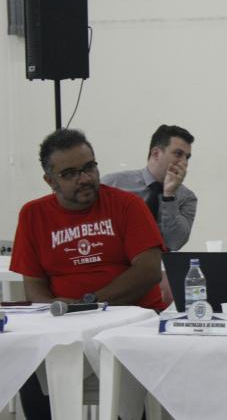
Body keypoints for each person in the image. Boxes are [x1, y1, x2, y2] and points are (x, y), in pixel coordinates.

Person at [10, 129, 166, 419]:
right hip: (65, 327)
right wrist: (57, 312)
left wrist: (89, 303)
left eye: (89, 167)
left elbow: (148, 271)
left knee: (126, 373)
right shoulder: (32, 215)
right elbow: (34, 288)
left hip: (129, 321)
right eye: (70, 173)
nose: (84, 178)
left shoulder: (127, 205)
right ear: (50, 181)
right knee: (29, 360)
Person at [102, 124, 196, 251]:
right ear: (156, 153)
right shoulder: (113, 184)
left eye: (187, 157)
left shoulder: (187, 197)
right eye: (178, 154)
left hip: (158, 262)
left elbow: (175, 243)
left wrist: (169, 196)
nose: (184, 162)